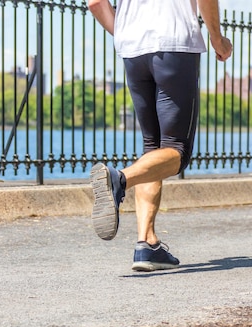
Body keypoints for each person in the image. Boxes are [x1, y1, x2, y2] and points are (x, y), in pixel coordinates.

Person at [88, 0, 232, 271]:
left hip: (132, 48)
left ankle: (147, 244)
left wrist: (124, 32)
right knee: (177, 151)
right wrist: (217, 39)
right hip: (174, 42)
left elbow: (95, 3)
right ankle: (119, 179)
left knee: (152, 148)